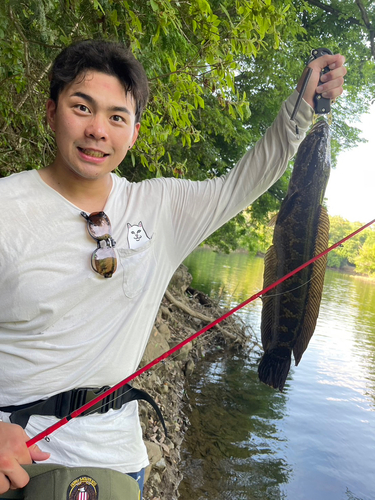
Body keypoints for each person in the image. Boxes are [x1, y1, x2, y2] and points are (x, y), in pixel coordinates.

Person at [0, 39, 346, 497]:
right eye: (81, 108)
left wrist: (303, 107)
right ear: (50, 112)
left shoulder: (160, 207)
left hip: (117, 461)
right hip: (14, 455)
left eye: (116, 117)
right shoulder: (7, 207)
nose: (98, 130)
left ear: (134, 132)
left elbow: (245, 180)